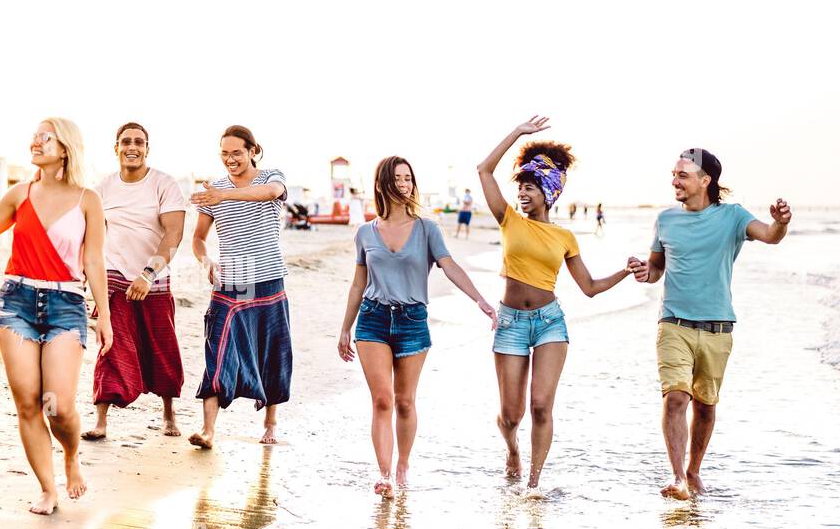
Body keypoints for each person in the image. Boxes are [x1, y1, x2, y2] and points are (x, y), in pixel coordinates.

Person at [476, 116, 632, 492]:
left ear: (549, 192)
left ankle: (533, 484)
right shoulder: (508, 219)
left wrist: (625, 272)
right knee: (511, 415)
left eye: (530, 188)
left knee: (542, 405)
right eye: (522, 188)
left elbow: (590, 287)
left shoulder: (564, 237)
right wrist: (516, 133)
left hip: (550, 324)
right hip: (511, 322)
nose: (523, 194)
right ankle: (512, 447)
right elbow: (484, 170)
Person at [626, 149, 791, 500]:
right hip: (673, 324)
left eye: (682, 175)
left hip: (718, 327)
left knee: (705, 405)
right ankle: (677, 478)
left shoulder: (732, 217)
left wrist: (781, 222)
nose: (674, 181)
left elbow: (770, 235)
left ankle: (693, 471)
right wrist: (646, 272)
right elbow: (656, 269)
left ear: (706, 180)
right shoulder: (666, 220)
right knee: (675, 398)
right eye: (673, 174)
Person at [338, 157, 497, 497]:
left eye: (408, 178)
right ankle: (383, 475)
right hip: (373, 319)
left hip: (412, 321)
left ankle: (402, 464)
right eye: (397, 178)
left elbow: (449, 265)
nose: (404, 184)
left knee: (405, 402)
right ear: (382, 184)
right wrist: (344, 328)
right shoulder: (365, 232)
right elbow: (357, 284)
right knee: (382, 400)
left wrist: (480, 300)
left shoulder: (428, 228)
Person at [0, 118, 112, 515]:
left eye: (46, 136)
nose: (36, 141)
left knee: (58, 403)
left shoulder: (87, 198)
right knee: (27, 403)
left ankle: (71, 456)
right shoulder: (19, 193)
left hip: (66, 304)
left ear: (66, 147)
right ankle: (47, 487)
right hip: (16, 301)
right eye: (35, 135)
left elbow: (93, 259)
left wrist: (104, 315)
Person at [81, 122, 187, 441]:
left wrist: (147, 274)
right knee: (110, 345)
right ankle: (101, 420)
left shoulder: (164, 184)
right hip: (113, 276)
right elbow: (89, 237)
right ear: (116, 148)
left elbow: (174, 233)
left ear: (147, 148)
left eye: (139, 142)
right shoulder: (102, 189)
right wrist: (85, 283)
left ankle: (169, 414)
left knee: (162, 348)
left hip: (153, 280)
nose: (132, 146)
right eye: (126, 141)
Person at [188, 125, 292, 448]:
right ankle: (208, 430)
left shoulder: (270, 176)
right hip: (233, 277)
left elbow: (271, 193)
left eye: (236, 153)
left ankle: (270, 422)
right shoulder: (214, 190)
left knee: (271, 350)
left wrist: (225, 194)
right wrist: (207, 262)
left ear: (252, 151)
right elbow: (198, 239)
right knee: (217, 347)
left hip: (268, 275)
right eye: (224, 153)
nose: (230, 159)